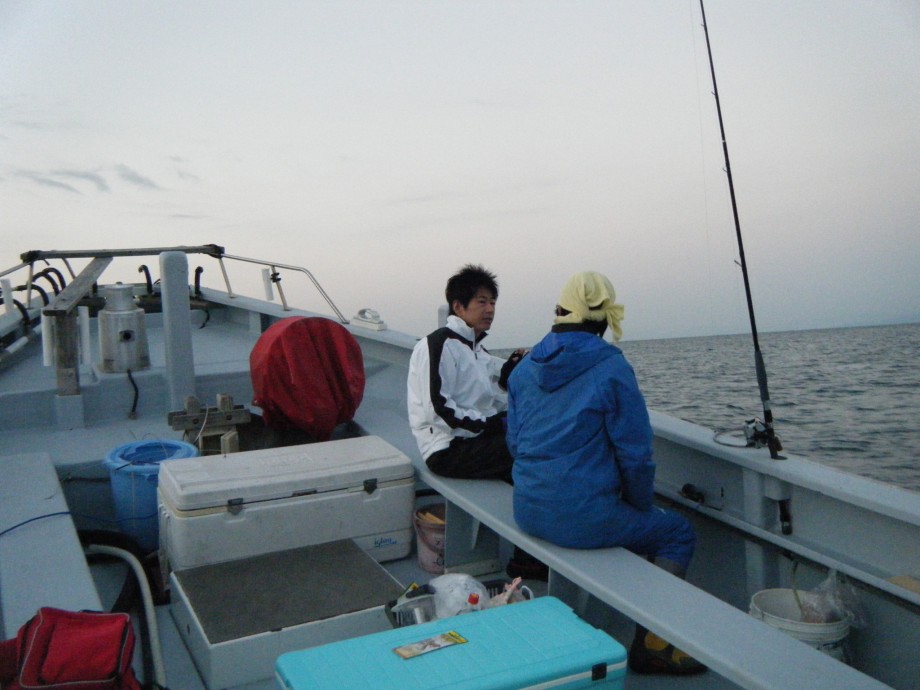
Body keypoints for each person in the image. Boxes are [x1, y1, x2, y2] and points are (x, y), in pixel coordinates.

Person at [505, 271, 706, 675]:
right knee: (676, 532)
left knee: (622, 521)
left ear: (558, 312)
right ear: (603, 320)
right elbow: (636, 455)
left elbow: (514, 443)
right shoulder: (612, 368)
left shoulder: (522, 369)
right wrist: (639, 504)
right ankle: (650, 645)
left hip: (527, 510)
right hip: (583, 521)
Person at [407, 264, 543, 579]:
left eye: (493, 302)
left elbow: (488, 397)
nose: (490, 309)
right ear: (458, 306)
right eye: (481, 301)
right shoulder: (439, 344)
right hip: (446, 449)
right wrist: (494, 425)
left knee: (536, 444)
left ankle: (532, 547)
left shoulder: (475, 349)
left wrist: (507, 377)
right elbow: (439, 410)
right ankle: (528, 557)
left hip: (469, 439)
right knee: (531, 456)